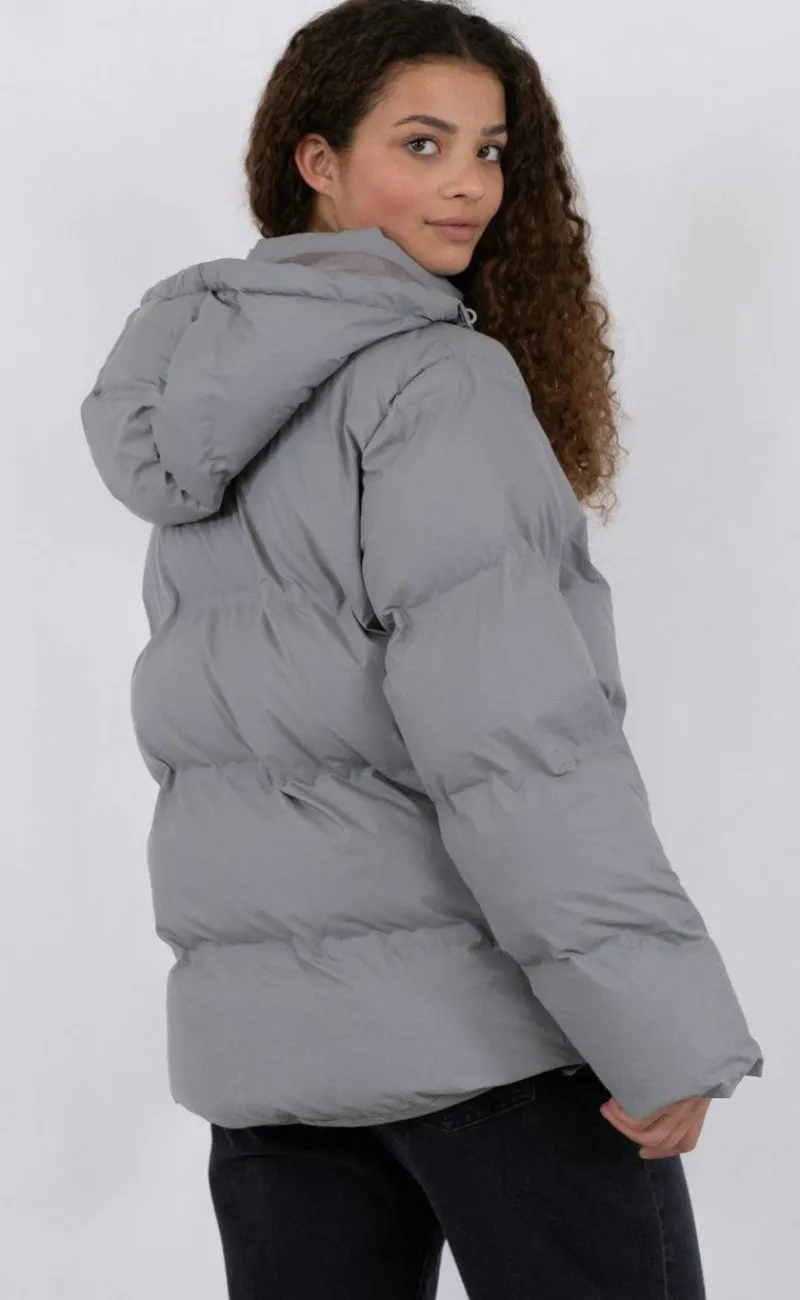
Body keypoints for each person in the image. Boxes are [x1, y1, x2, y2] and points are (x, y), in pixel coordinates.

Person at [80, 1, 763, 1295]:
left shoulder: (195, 401)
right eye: (423, 143)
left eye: (490, 151)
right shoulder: (432, 384)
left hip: (271, 1068)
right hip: (491, 1044)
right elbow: (516, 741)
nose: (468, 185)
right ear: (318, 161)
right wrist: (655, 1025)